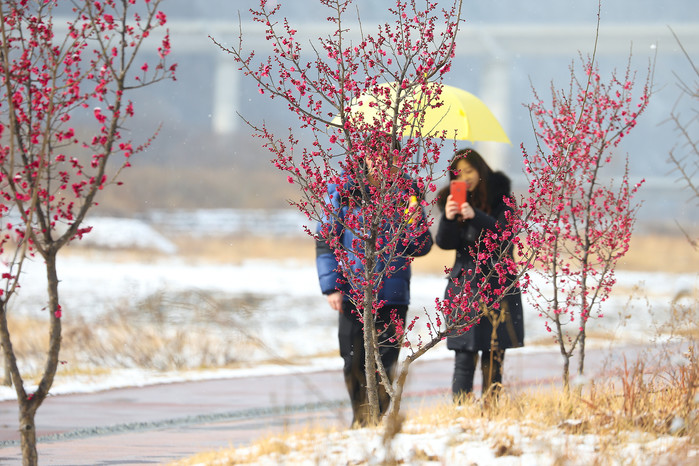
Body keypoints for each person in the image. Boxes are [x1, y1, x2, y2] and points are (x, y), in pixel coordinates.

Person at [315, 137, 433, 427]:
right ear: (364, 157)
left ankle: (378, 420)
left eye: (389, 156)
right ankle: (361, 419)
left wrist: (415, 223)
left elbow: (420, 247)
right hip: (352, 290)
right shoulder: (344, 191)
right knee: (353, 359)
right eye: (375, 155)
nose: (382, 162)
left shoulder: (408, 194)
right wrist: (331, 287)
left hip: (392, 292)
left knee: (386, 361)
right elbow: (326, 241)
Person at [435, 148, 524, 402]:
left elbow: (504, 237)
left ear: (481, 169)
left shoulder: (503, 200)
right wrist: (449, 219)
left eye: (469, 171)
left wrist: (476, 216)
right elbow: (445, 243)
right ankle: (461, 413)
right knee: (464, 358)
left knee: (494, 359)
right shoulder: (454, 200)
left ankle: (490, 411)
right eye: (458, 174)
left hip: (498, 286)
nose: (465, 178)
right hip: (464, 288)